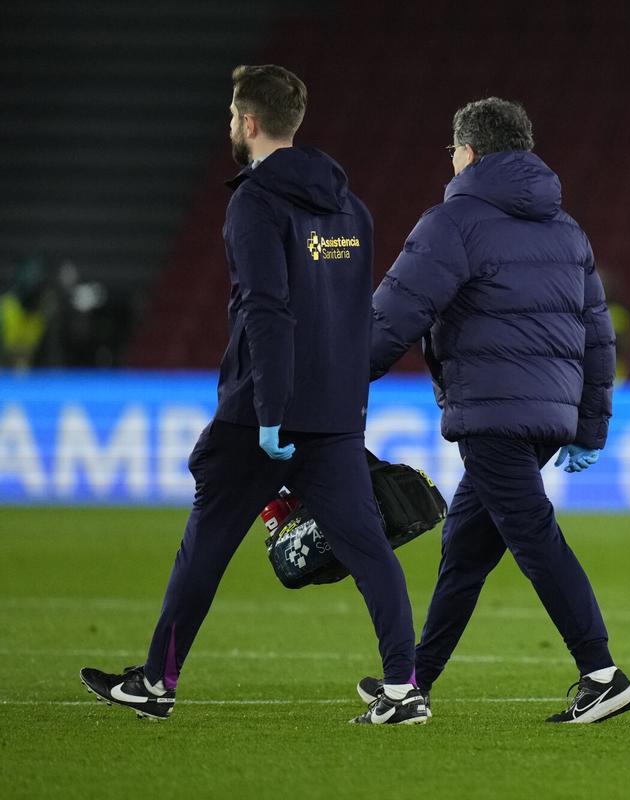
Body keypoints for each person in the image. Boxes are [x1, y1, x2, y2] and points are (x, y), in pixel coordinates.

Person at [80, 65, 425, 726]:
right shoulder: (351, 209)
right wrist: (347, 402)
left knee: (205, 546)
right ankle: (403, 688)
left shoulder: (254, 203)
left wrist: (269, 411)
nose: (229, 126)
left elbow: (267, 311)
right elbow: (355, 313)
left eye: (232, 115)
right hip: (334, 413)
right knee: (367, 546)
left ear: (249, 122)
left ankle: (157, 682)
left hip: (264, 412)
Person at [364, 97, 630, 724]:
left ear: (469, 152)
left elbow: (395, 314)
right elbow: (598, 335)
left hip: (491, 411)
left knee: (534, 537)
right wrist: (589, 425)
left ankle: (602, 672)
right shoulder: (567, 228)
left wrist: (339, 379)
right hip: (549, 414)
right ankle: (413, 681)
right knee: (465, 546)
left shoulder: (453, 221)